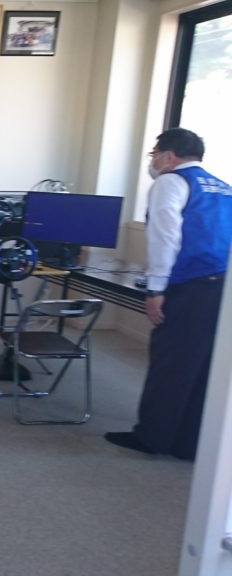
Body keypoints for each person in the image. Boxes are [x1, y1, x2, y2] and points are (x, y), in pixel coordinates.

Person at [105, 128, 232, 460]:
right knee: (201, 365)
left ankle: (152, 438)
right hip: (221, 286)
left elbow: (166, 238)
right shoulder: (222, 187)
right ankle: (188, 443)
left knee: (171, 363)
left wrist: (156, 289)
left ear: (169, 156)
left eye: (155, 154)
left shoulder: (170, 182)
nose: (153, 161)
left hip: (191, 286)